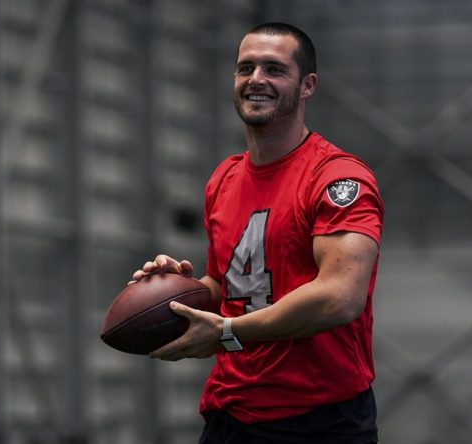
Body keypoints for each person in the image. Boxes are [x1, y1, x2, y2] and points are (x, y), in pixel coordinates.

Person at [131, 22, 384, 443]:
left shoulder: (339, 178)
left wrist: (228, 333)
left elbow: (341, 297)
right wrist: (178, 293)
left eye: (274, 69)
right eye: (245, 68)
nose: (256, 80)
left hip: (320, 421)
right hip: (232, 414)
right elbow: (228, 287)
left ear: (308, 85)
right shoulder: (224, 178)